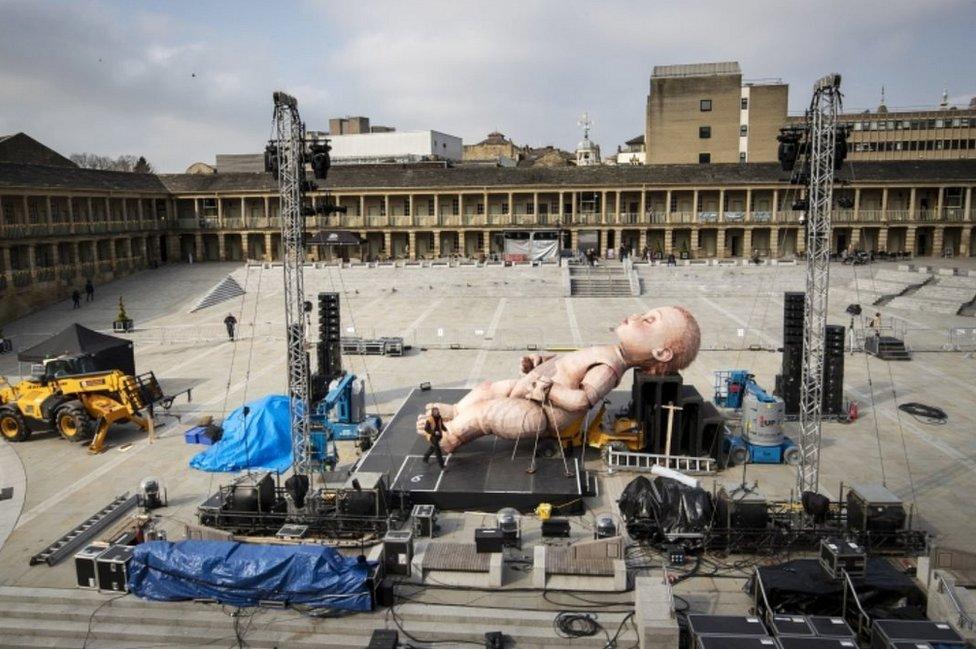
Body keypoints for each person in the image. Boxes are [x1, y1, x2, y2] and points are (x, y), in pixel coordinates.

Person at [418, 306, 701, 454]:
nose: (637, 316)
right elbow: (570, 364)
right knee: (489, 388)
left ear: (660, 353)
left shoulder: (610, 368)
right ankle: (455, 412)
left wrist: (547, 388)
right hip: (532, 390)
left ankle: (449, 436)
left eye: (649, 321)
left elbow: (581, 401)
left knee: (487, 414)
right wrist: (542, 362)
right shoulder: (609, 351)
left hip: (544, 413)